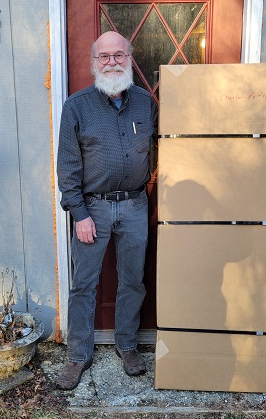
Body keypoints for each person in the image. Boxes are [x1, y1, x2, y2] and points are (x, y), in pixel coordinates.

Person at [56, 31, 157, 390]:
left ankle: (127, 345)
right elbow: (67, 168)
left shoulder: (146, 103)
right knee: (83, 284)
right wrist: (79, 214)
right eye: (104, 56)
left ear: (129, 59)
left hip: (134, 205)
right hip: (92, 210)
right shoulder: (76, 106)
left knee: (133, 280)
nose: (112, 61)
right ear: (93, 62)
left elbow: (162, 149)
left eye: (119, 55)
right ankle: (79, 355)